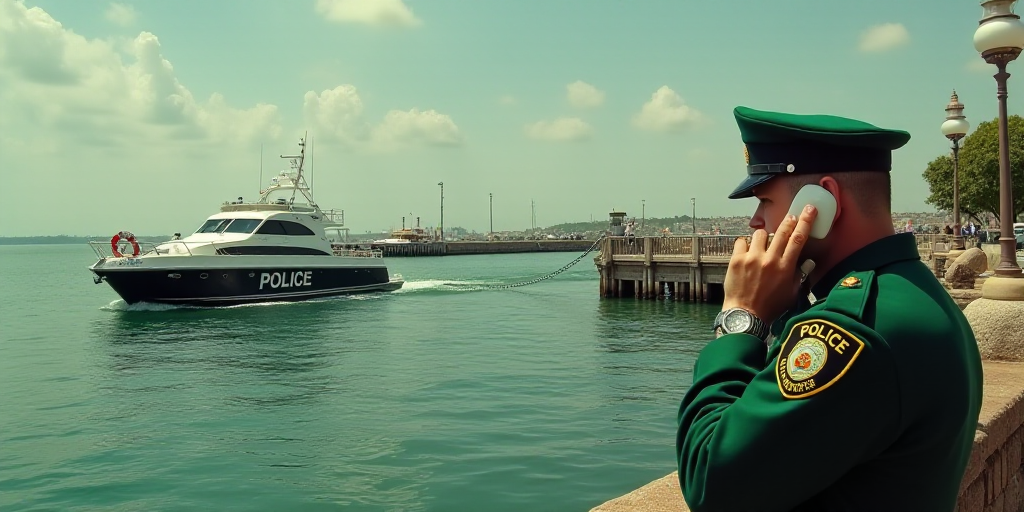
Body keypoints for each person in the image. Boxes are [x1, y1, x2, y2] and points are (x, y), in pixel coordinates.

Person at [675, 106, 983, 511]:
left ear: (821, 203)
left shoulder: (853, 330)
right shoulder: (915, 294)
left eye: (765, 200)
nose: (754, 222)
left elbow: (710, 482)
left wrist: (740, 317)